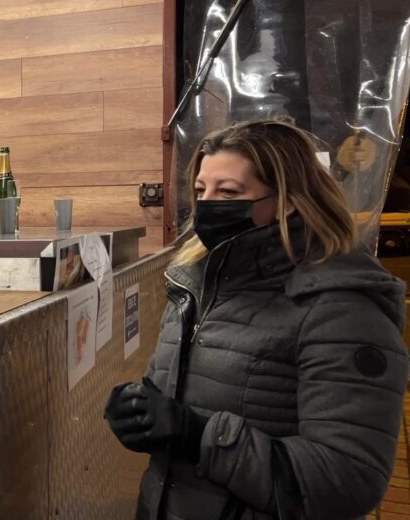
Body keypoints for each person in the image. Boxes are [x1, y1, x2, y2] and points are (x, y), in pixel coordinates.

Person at [104, 119, 408, 519]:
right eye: (200, 191)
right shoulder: (196, 282)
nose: (207, 205)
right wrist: (141, 413)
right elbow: (193, 395)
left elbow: (347, 479)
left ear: (287, 200)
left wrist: (195, 435)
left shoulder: (341, 308)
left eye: (228, 192)